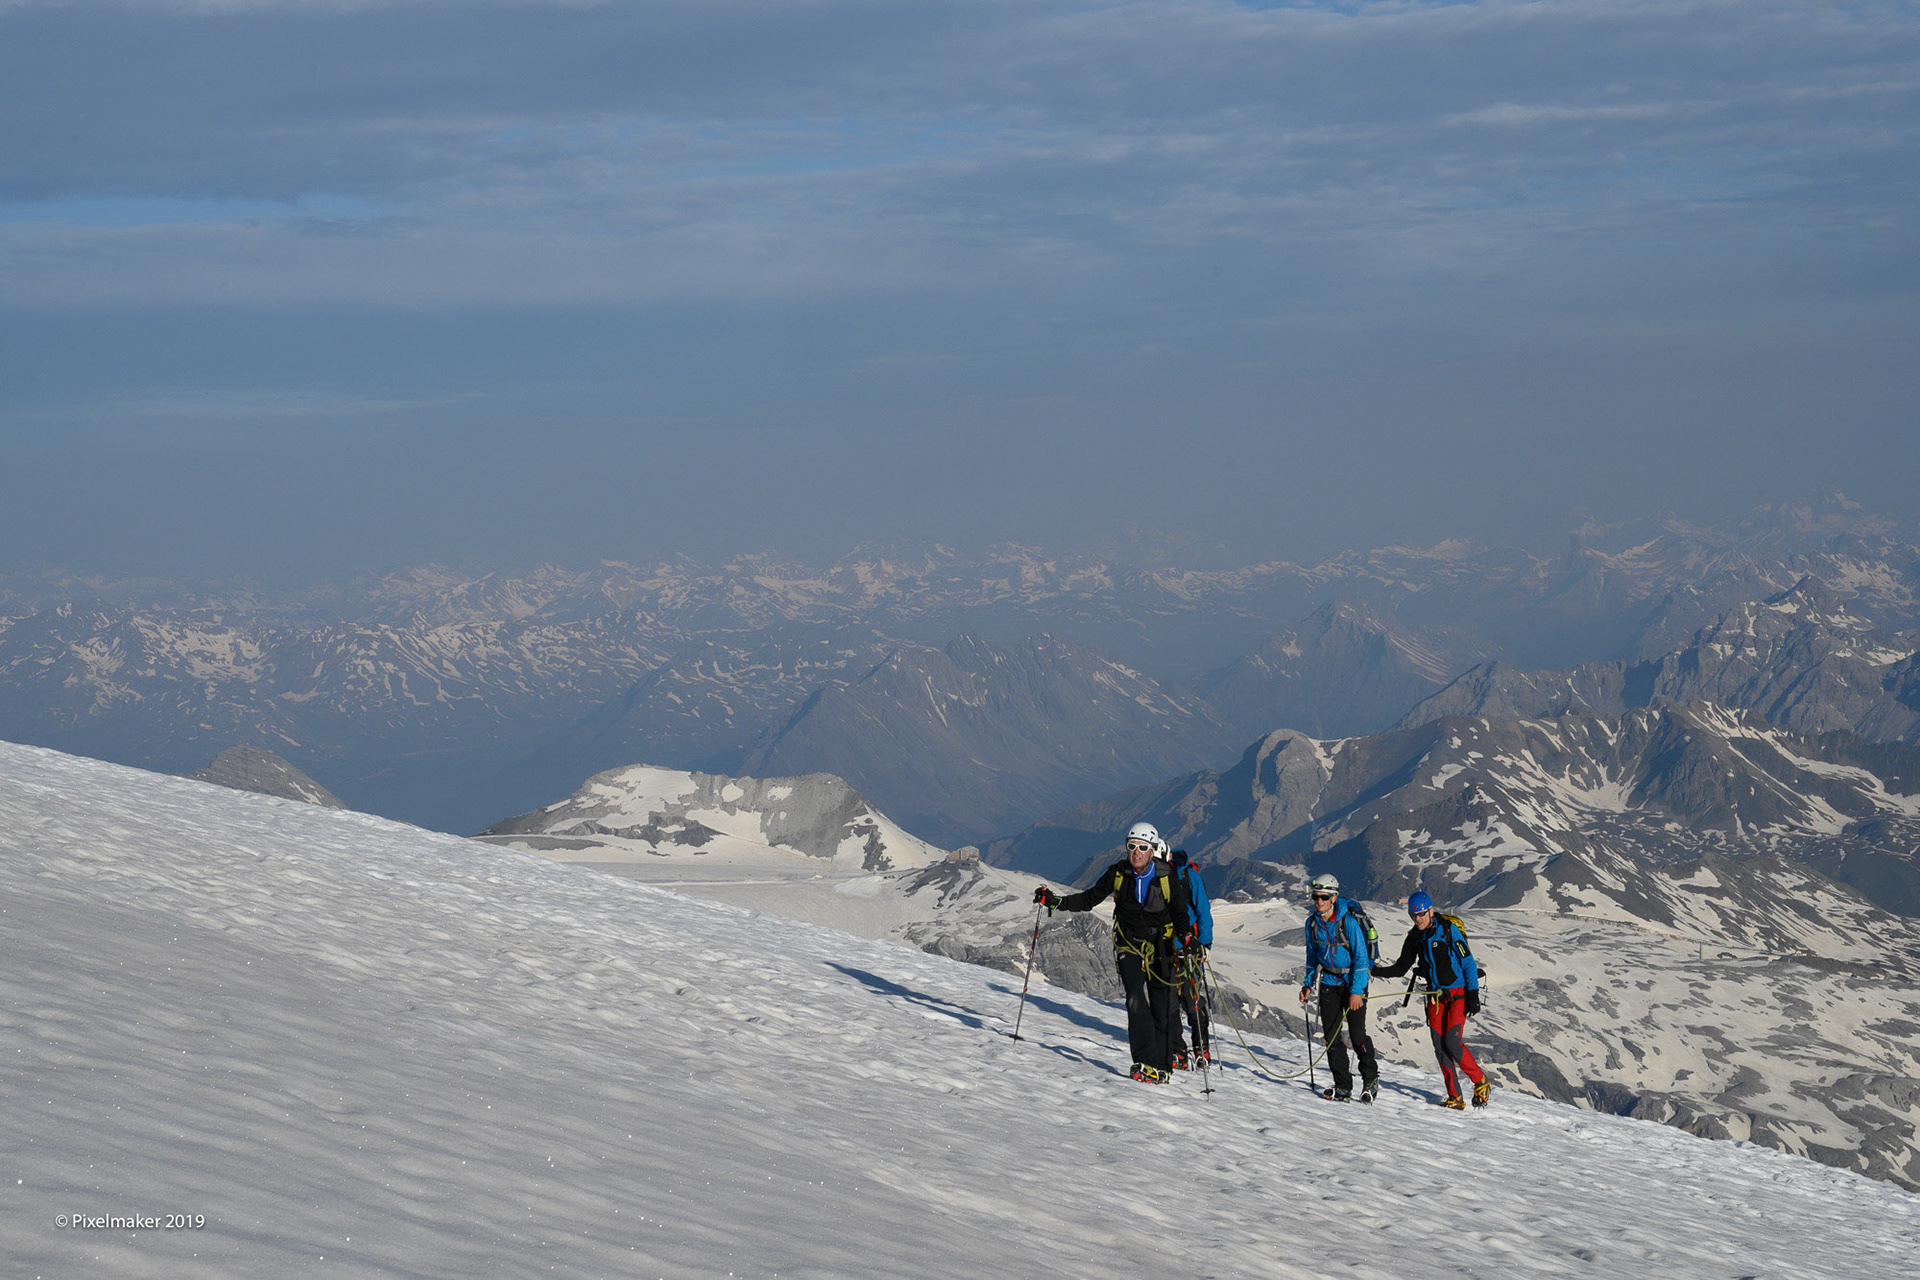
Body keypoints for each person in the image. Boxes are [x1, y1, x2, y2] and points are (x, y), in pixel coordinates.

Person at [1034, 821, 1193, 1083]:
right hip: (1128, 945)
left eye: (1142, 847)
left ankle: (1163, 1066)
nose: (1136, 852)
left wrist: (1186, 938)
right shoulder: (1117, 874)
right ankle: (1145, 1061)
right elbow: (1088, 899)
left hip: (1160, 948)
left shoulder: (1167, 877)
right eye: (1132, 846)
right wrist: (1056, 902)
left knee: (1162, 1005)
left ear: (1152, 850)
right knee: (1135, 999)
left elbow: (1179, 913)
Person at [1373, 891, 1490, 1109]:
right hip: (1434, 996)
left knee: (1452, 1043)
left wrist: (1472, 994)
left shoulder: (1448, 930)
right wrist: (1375, 971)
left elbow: (1468, 963)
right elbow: (1401, 967)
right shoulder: (1414, 937)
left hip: (1457, 994)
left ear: (1431, 911)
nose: (1417, 919)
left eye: (1421, 914)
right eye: (1413, 915)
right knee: (1440, 1047)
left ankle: (1481, 1082)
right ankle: (1455, 1097)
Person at [1297, 873, 1379, 1103]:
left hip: (1352, 983)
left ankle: (1370, 1079)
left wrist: (1356, 991)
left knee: (1357, 1035)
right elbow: (1312, 956)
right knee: (1331, 1037)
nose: (1319, 901)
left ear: (1333, 898)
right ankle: (1343, 1085)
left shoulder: (1349, 923)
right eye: (1316, 897)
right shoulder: (1312, 924)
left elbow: (1361, 959)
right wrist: (1308, 983)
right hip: (1329, 984)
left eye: (1324, 897)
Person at [1168, 849, 1212, 1069]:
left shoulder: (1188, 876)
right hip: (1165, 948)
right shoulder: (1155, 876)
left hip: (1188, 948)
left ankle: (1200, 1047)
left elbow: (1203, 910)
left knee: (1191, 998)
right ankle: (1178, 1049)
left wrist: (1204, 944)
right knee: (1169, 1001)